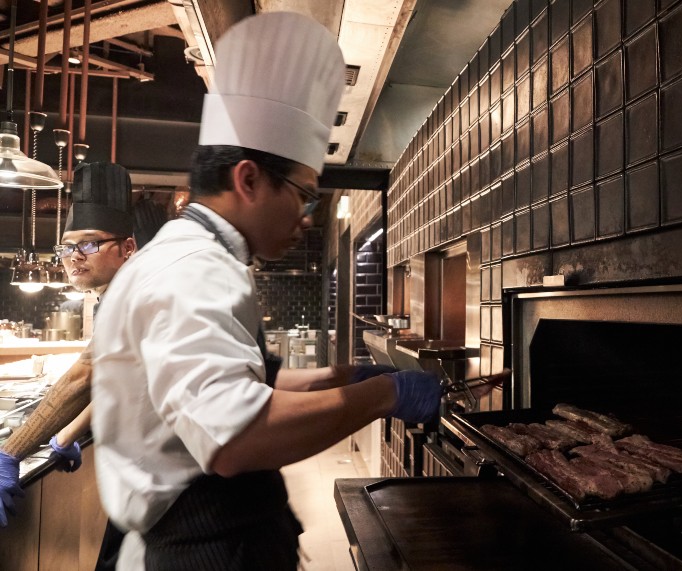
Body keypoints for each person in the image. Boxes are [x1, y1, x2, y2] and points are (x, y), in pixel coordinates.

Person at [88, 12, 448, 570]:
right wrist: (385, 396)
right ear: (249, 179)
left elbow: (233, 384)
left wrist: (338, 378)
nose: (305, 218)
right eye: (304, 196)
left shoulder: (199, 256)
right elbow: (235, 439)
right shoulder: (194, 268)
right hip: (205, 550)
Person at [0, 162, 142, 539]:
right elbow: (116, 381)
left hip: (171, 474)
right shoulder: (116, 294)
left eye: (89, 244)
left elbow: (86, 375)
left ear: (128, 248)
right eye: (66, 247)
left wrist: (10, 452)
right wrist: (67, 434)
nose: (74, 256)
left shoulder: (132, 296)